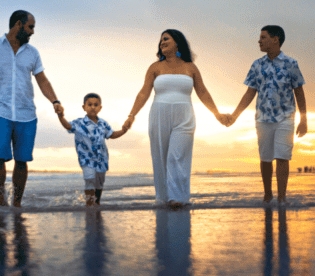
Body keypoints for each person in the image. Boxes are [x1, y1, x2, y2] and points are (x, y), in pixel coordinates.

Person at [122, 29, 228, 209]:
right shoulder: (155, 67)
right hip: (158, 116)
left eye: (166, 39)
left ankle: (177, 197)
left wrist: (216, 114)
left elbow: (202, 92)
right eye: (160, 40)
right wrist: (131, 116)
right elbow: (143, 93)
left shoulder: (191, 67)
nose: (162, 42)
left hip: (184, 117)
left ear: (177, 42)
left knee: (176, 156)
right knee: (161, 157)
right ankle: (164, 199)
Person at [0, 10, 63, 207]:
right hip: (0, 111)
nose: (33, 32)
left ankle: (17, 203)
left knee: (22, 161)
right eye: (31, 27)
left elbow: (42, 80)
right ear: (19, 25)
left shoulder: (33, 53)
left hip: (26, 113)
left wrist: (55, 101)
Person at [226, 25, 307, 208]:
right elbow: (249, 93)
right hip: (263, 118)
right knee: (265, 158)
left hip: (285, 117)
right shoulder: (257, 64)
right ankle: (268, 194)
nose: (259, 41)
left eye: (263, 37)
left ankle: (282, 197)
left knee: (283, 156)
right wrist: (235, 115)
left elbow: (299, 92)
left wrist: (304, 119)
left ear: (275, 39)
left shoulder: (291, 63)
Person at [57, 93, 127, 206]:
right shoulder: (79, 123)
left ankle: (97, 203)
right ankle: (89, 204)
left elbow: (112, 134)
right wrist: (61, 117)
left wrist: (124, 130)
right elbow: (68, 126)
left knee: (99, 184)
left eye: (96, 104)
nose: (93, 107)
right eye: (89, 104)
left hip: (102, 159)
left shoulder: (103, 123)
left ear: (100, 107)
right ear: (84, 107)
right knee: (89, 180)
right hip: (86, 159)